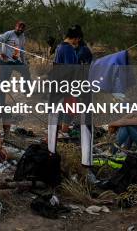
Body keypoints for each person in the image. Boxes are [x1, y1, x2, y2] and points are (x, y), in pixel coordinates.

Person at [47, 26, 96, 181]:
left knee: (54, 121)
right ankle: (86, 165)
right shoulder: (68, 49)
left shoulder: (60, 48)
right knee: (86, 122)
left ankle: (51, 155)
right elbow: (72, 71)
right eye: (78, 40)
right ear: (76, 38)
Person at [0, 21, 31, 135]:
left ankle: (26, 90)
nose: (20, 29)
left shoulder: (22, 37)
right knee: (3, 84)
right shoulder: (9, 34)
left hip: (15, 60)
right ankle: (0, 104)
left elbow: (22, 50)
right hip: (5, 61)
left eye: (22, 28)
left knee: (26, 71)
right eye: (19, 27)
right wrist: (1, 52)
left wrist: (24, 62)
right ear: (15, 26)